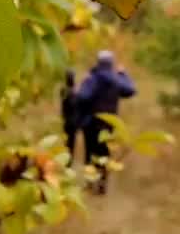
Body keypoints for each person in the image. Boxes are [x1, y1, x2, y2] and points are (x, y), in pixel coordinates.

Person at [74, 50, 137, 193]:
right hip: (109, 123)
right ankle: (102, 186)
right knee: (105, 153)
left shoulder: (93, 78)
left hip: (91, 123)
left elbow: (83, 97)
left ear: (98, 62)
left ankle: (89, 184)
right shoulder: (116, 80)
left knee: (90, 153)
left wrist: (83, 84)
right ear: (111, 63)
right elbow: (131, 90)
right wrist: (123, 73)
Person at [59, 68, 80, 157]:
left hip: (68, 120)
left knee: (68, 143)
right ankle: (68, 161)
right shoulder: (70, 91)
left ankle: (67, 160)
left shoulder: (65, 90)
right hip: (71, 121)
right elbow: (73, 103)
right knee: (70, 143)